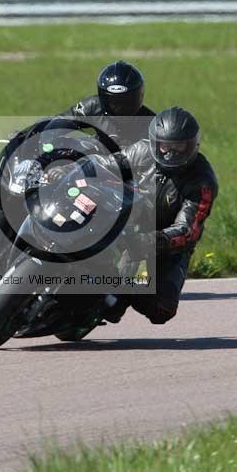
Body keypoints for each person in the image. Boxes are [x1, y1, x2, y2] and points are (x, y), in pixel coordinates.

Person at [95, 106, 218, 325]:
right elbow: (106, 164)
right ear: (155, 143)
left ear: (193, 145)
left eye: (179, 146)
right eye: (165, 146)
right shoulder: (141, 151)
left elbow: (187, 230)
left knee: (162, 309)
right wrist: (72, 168)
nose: (171, 153)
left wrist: (152, 240)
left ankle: (121, 296)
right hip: (125, 222)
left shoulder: (202, 181)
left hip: (166, 244)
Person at [60, 60, 156, 147]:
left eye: (125, 101)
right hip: (93, 163)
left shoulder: (152, 124)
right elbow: (60, 121)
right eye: (113, 102)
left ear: (139, 96)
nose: (119, 107)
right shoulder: (93, 106)